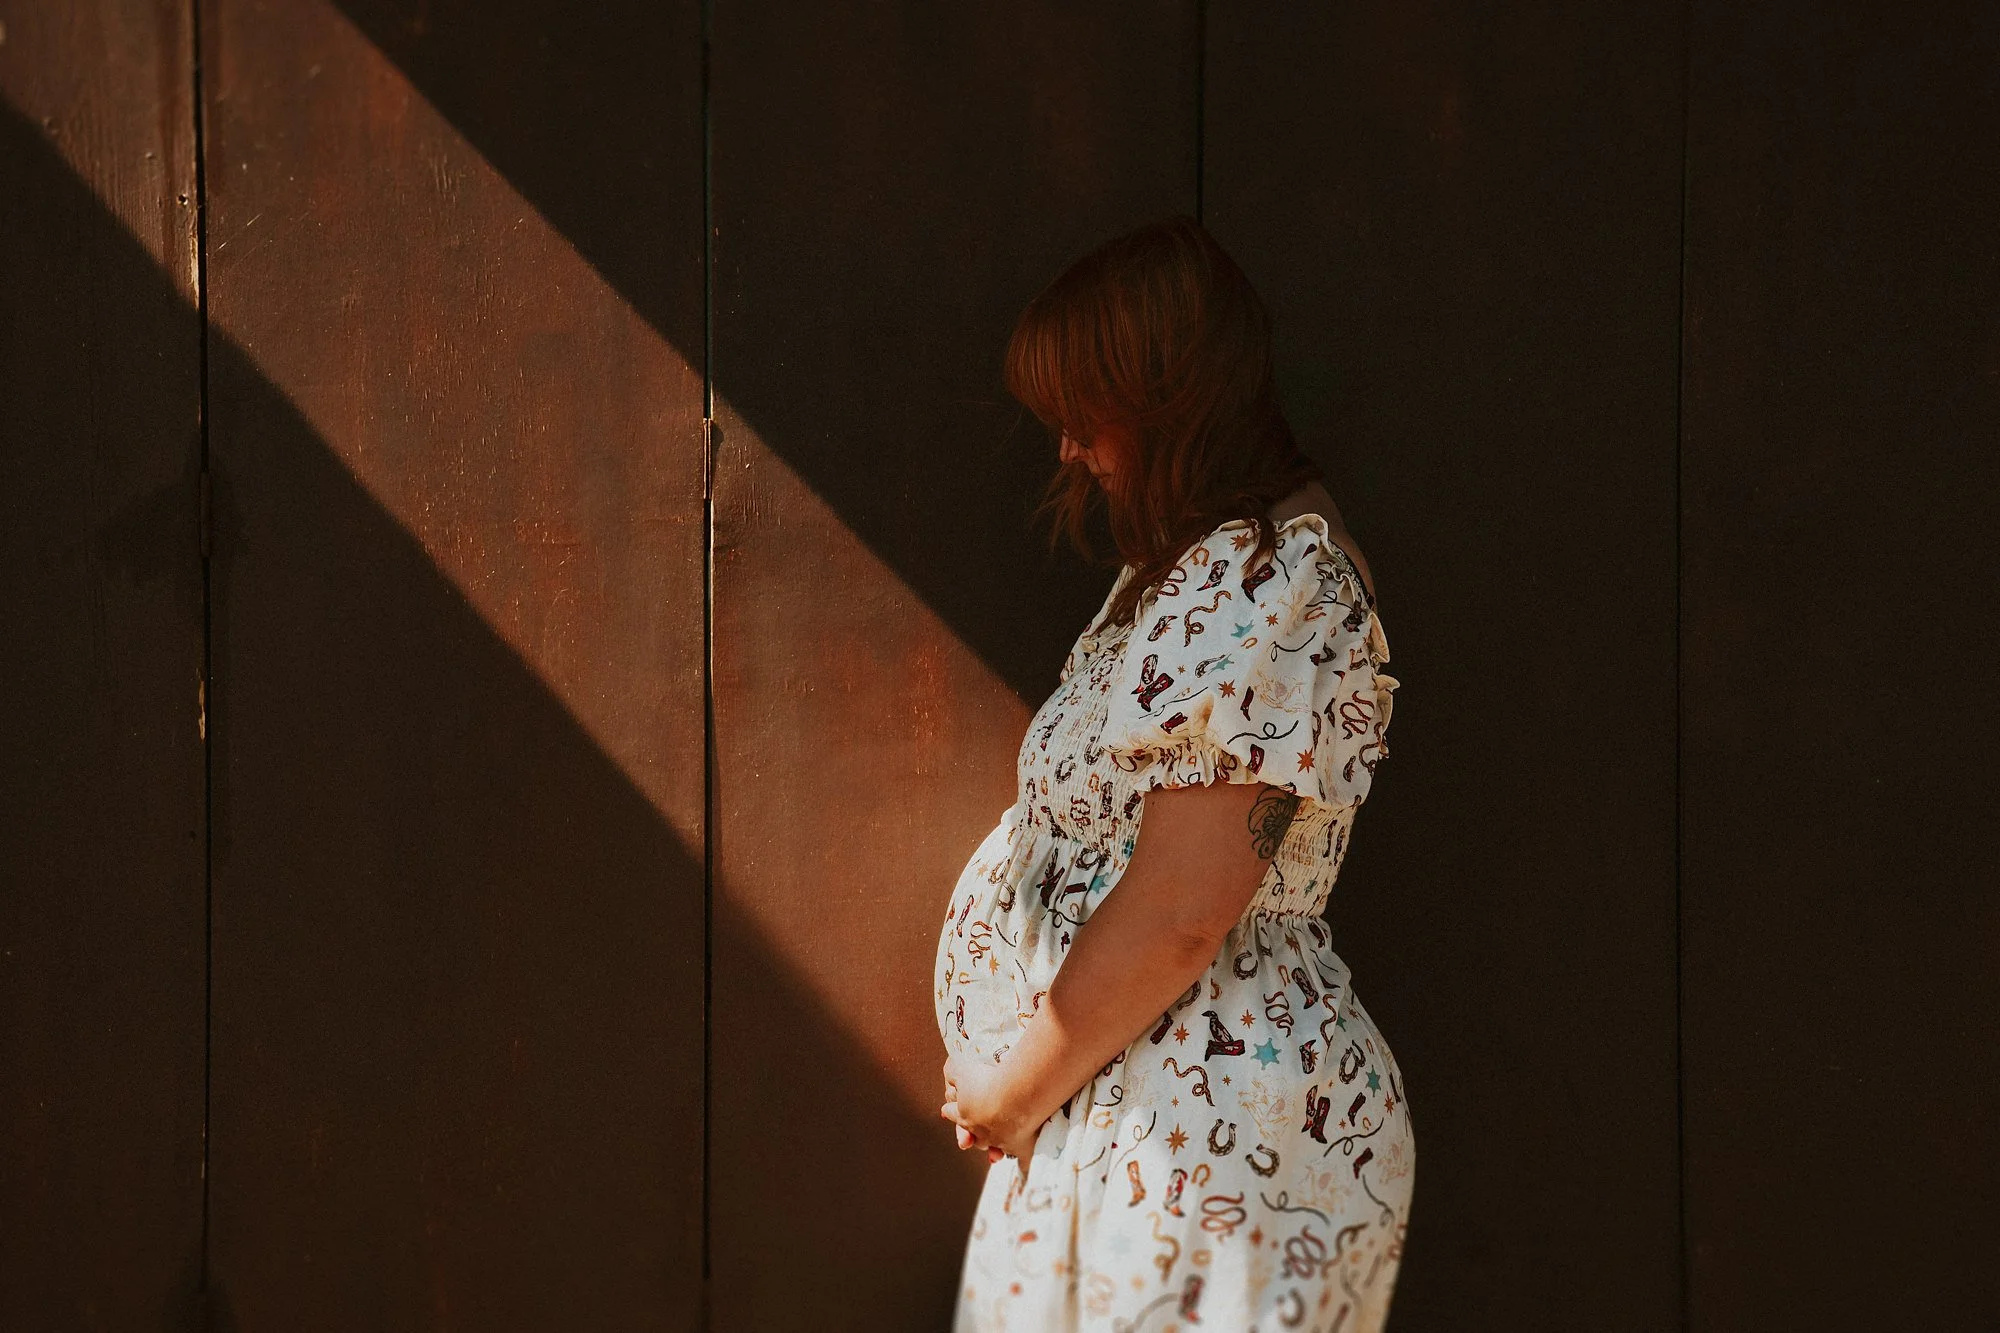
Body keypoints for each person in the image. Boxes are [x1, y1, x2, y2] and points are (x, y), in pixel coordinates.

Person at [934, 216, 1414, 1331]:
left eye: (1079, 410)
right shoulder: (1203, 563)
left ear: (1162, 396)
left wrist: (1012, 1091)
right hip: (1136, 1122)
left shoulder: (1274, 578)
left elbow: (1179, 913)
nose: (1062, 445)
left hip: (1209, 1137)